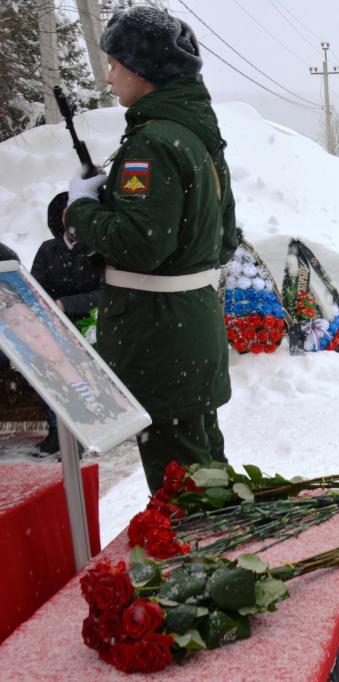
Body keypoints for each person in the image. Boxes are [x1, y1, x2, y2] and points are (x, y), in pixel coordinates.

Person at [63, 6, 237, 492]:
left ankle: (198, 543)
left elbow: (140, 246)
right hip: (190, 331)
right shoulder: (197, 136)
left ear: (144, 70)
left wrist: (80, 209)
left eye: (115, 63)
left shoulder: (153, 143)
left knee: (179, 493)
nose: (109, 76)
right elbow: (224, 239)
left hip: (160, 340)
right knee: (205, 477)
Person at [30, 192, 106, 454]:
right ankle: (58, 431)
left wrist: (65, 304)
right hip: (52, 324)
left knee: (78, 365)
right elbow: (35, 288)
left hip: (92, 325)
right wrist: (49, 309)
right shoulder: (47, 249)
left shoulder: (99, 250)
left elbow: (104, 293)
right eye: (66, 213)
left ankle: (83, 431)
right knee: (42, 365)